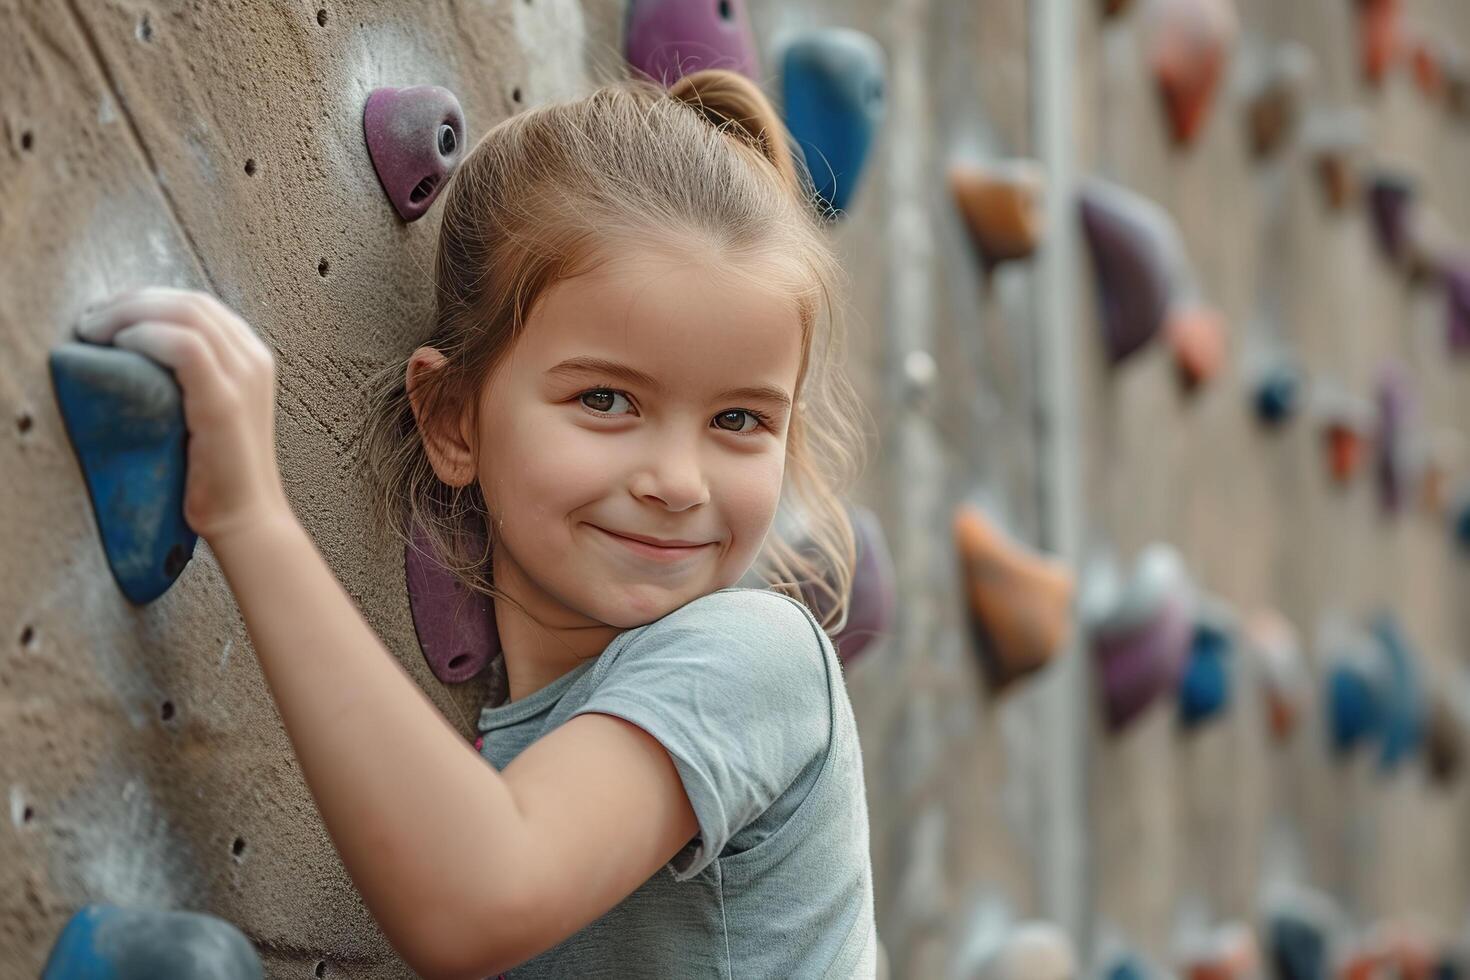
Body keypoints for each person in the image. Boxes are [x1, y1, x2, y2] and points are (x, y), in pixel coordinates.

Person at [74, 68, 878, 978]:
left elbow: (480, 895)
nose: (677, 482)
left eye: (740, 420)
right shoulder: (517, 744)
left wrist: (251, 514)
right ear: (454, 420)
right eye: (607, 399)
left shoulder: (754, 655)